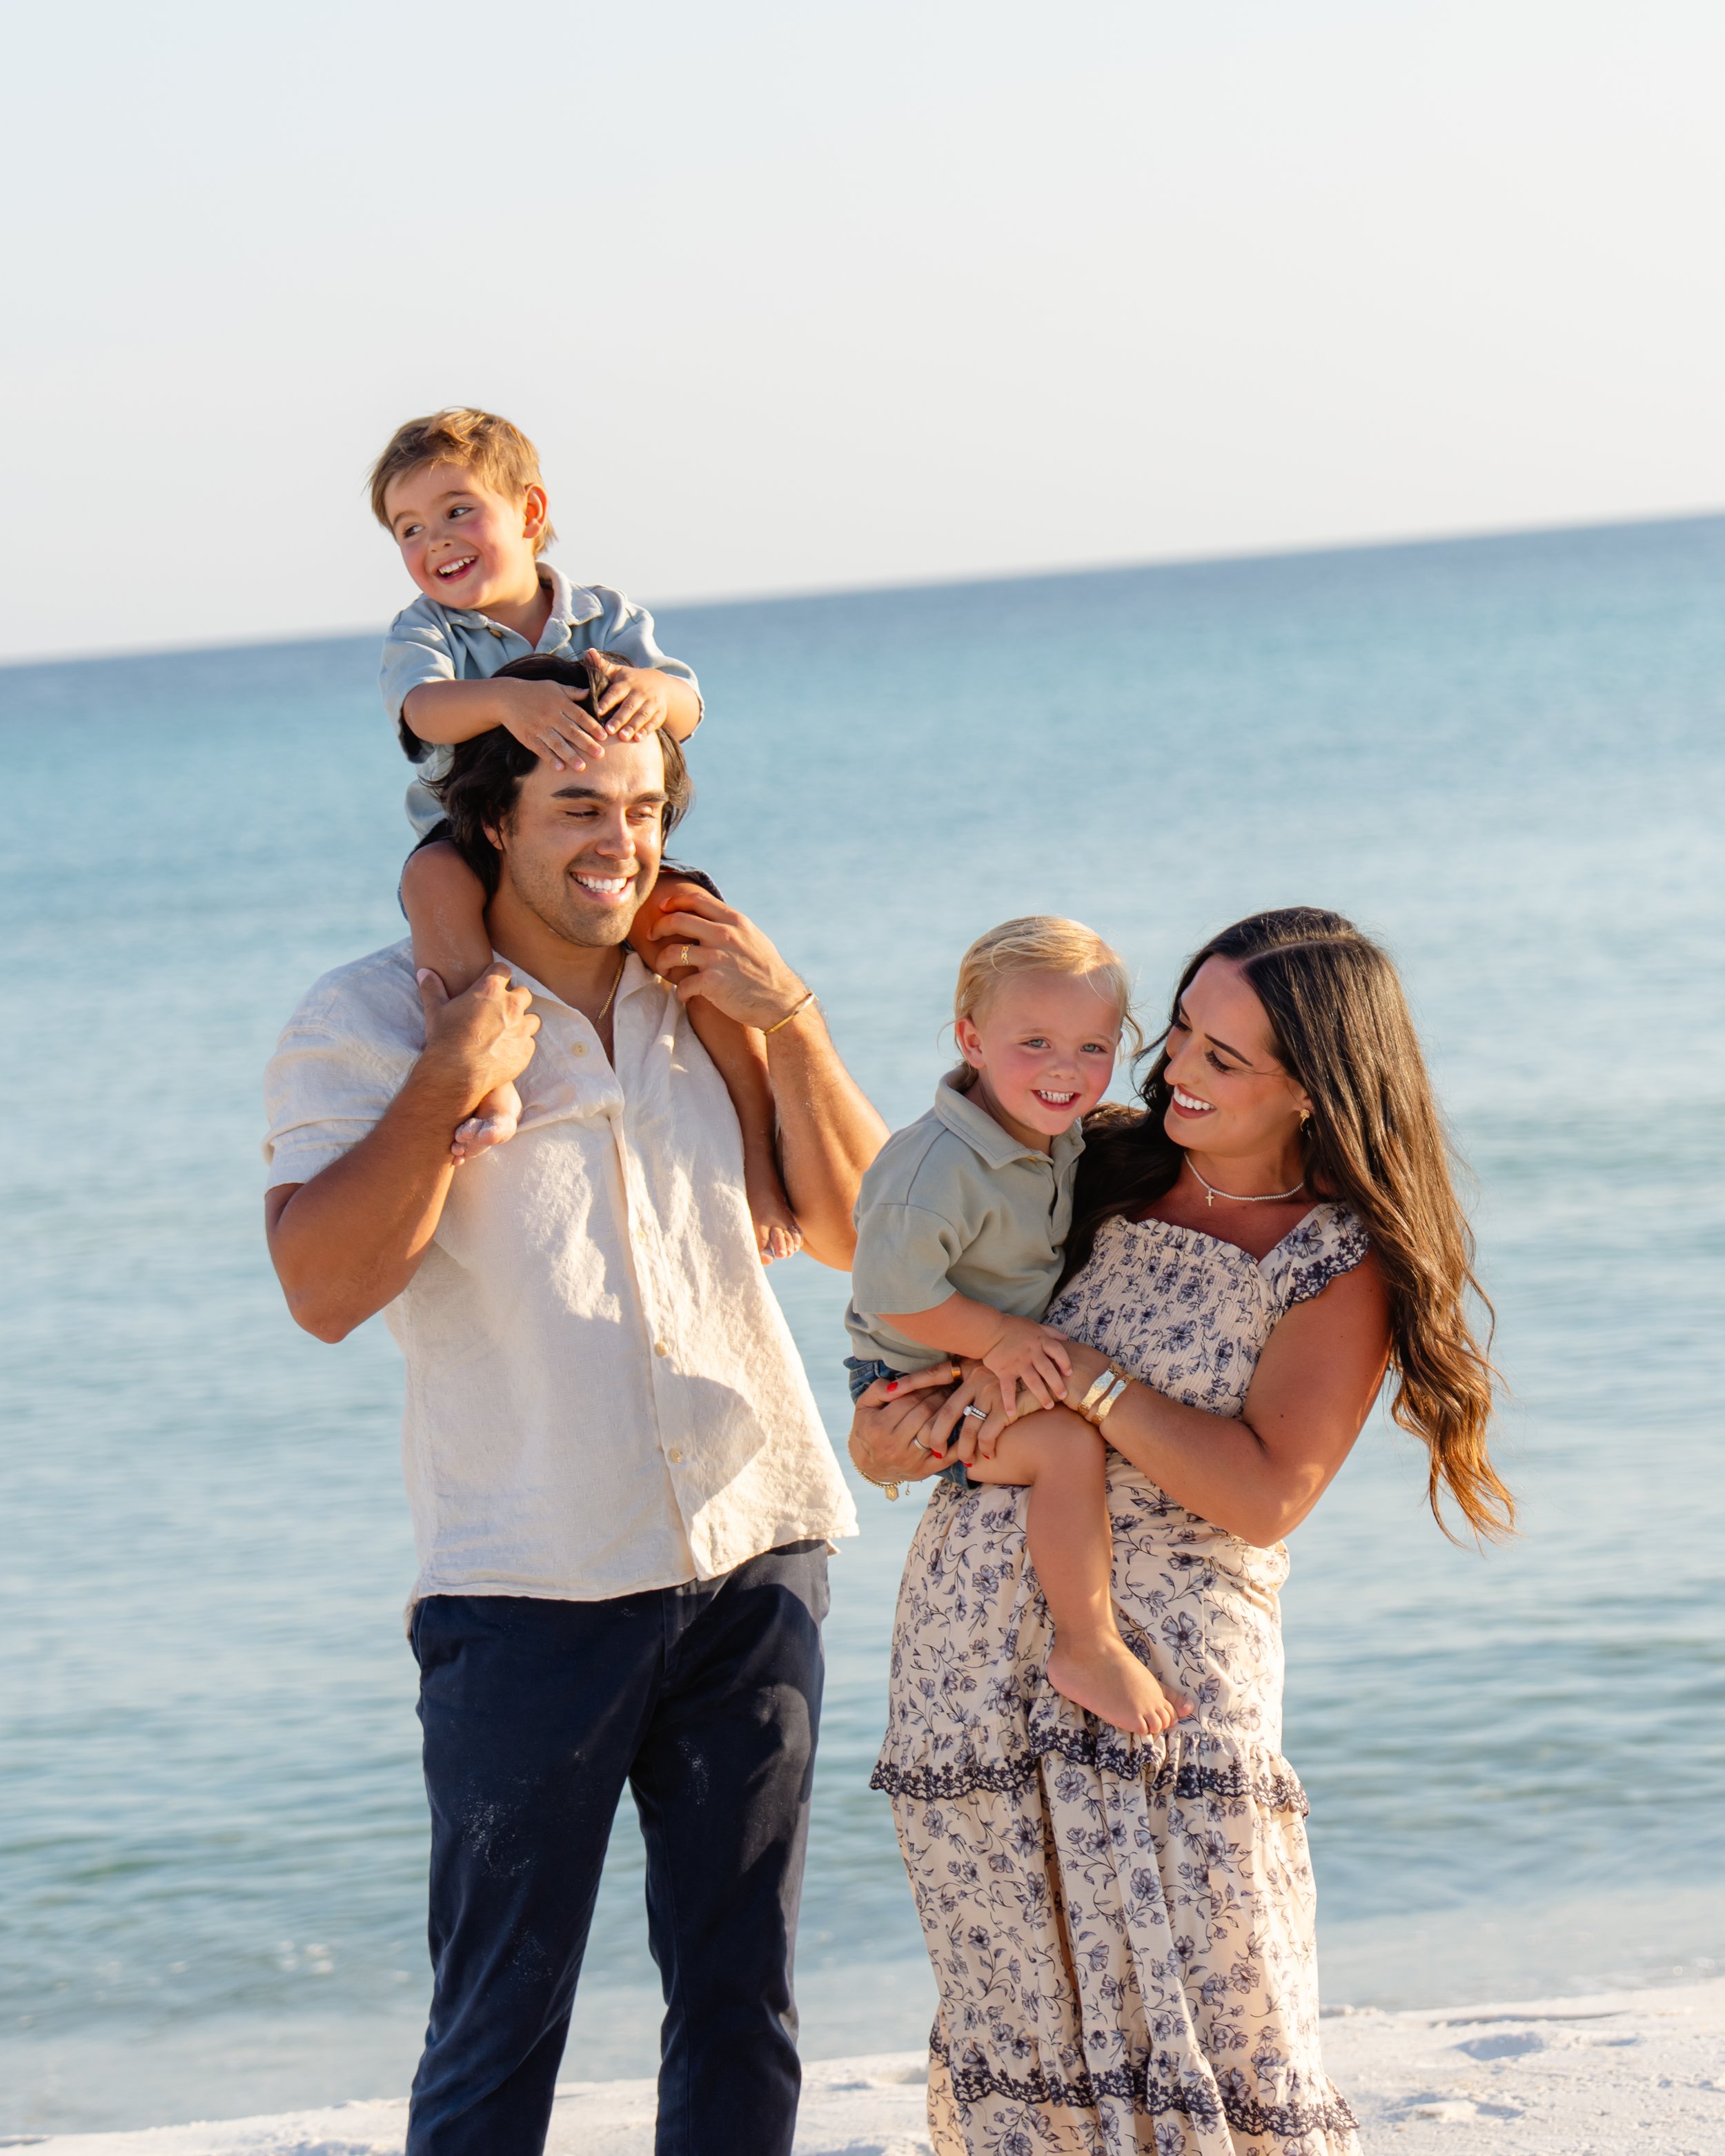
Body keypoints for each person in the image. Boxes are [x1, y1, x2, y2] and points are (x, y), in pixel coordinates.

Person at [262, 684, 887, 2156]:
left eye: (646, 808)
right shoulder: (362, 1016)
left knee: (742, 2001)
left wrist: (786, 1018)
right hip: (526, 1585)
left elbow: (870, 1234)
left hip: (756, 1549)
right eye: (580, 807)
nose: (623, 840)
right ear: (492, 822)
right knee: (498, 2021)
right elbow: (321, 1288)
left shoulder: (706, 999)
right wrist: (446, 1080)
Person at [849, 908, 1512, 2156]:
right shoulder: (1095, 1165)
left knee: (1218, 2019)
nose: (1171, 1076)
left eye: (1222, 1058)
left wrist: (1092, 1384)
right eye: (1179, 1037)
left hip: (1172, 1696)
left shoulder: (1337, 1262)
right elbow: (913, 1282)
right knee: (1022, 2033)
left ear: (1315, 1090)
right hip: (972, 1670)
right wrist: (887, 1441)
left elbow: (1266, 1494)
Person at [371, 406, 800, 1259]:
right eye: (408, 528)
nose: (435, 541)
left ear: (529, 514)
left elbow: (689, 703)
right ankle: (484, 1072)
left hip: (597, 836)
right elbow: (418, 707)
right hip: (468, 835)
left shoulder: (602, 614)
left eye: (458, 510)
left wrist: (649, 691)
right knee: (429, 886)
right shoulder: (429, 629)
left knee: (690, 932)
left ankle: (760, 1148)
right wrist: (504, 700)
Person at [845, 916, 1190, 1738]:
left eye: (1093, 1047)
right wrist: (998, 1338)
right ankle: (1086, 1644)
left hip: (977, 1359)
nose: (1066, 1070)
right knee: (1068, 1448)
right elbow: (891, 1291)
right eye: (1033, 1042)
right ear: (970, 1037)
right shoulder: (934, 1166)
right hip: (916, 1383)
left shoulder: (1055, 1131)